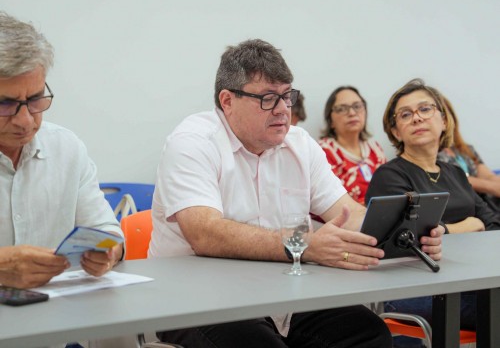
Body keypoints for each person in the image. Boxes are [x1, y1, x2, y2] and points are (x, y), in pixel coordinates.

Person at [151, 39, 443, 347]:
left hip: (282, 297)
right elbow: (204, 233)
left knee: (369, 334)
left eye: (287, 96)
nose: (283, 111)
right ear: (227, 101)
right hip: (198, 302)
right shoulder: (193, 142)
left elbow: (347, 212)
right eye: (267, 98)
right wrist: (304, 245)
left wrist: (407, 234)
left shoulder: (300, 144)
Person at [365, 78, 500, 348]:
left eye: (425, 109)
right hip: (414, 288)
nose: (416, 118)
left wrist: (450, 229)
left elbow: (493, 223)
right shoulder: (390, 176)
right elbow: (413, 242)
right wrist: (467, 225)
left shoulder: (456, 174)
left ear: (443, 120)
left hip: (469, 278)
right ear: (395, 131)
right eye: (405, 114)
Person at [0, 11, 123, 291]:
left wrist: (108, 253)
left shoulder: (66, 149)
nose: (25, 120)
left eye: (34, 99)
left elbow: (107, 232)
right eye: (5, 104)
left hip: (55, 324)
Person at [318, 86, 386, 204]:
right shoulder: (323, 151)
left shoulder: (375, 148)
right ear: (331, 120)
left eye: (357, 106)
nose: (352, 113)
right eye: (342, 109)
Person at [438, 96, 500, 212]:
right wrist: (491, 187)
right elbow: (453, 180)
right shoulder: (430, 155)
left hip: (491, 204)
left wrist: (495, 184)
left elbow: (488, 175)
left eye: (445, 115)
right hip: (469, 208)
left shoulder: (466, 149)